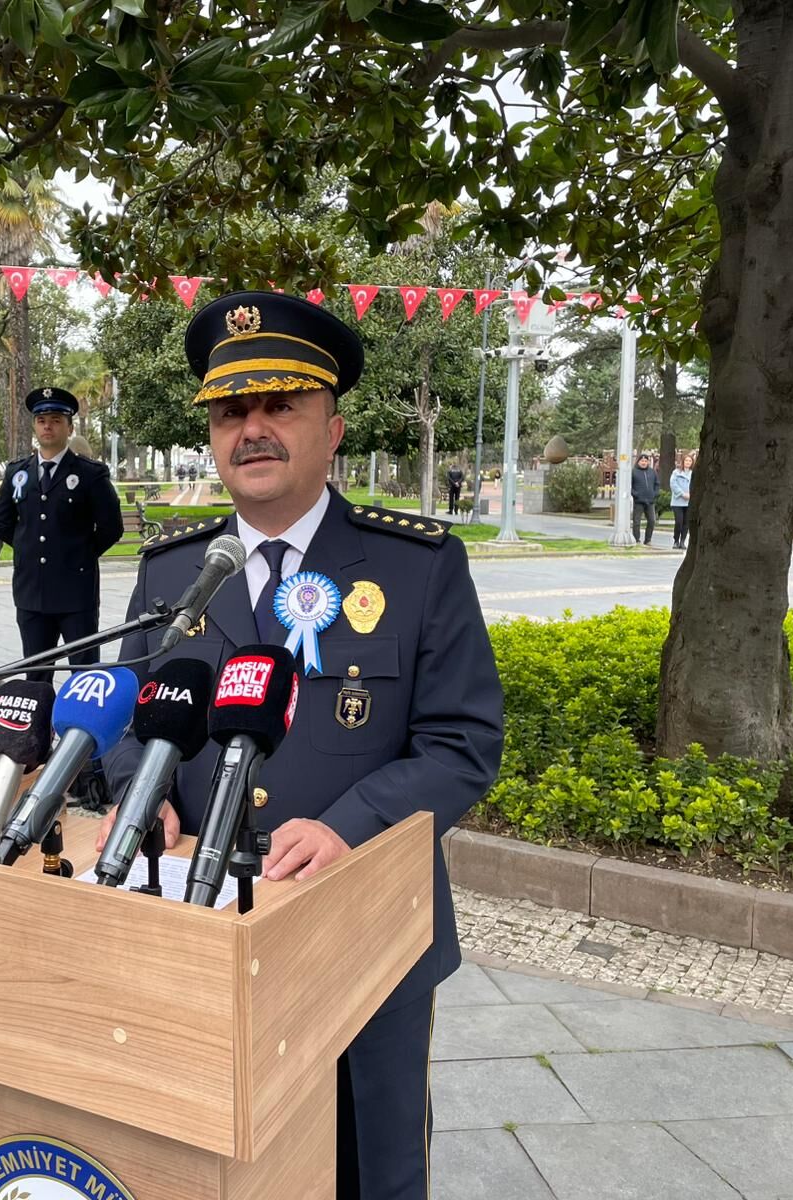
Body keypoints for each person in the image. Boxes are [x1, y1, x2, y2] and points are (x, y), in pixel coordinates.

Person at [99, 292, 503, 1200]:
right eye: (232, 411)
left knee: (372, 1170)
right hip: (200, 922)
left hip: (363, 929)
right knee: (212, 1161)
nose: (254, 429)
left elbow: (463, 745)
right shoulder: (174, 574)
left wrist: (350, 828)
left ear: (334, 428)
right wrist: (140, 792)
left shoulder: (416, 566)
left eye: (281, 404)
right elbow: (130, 716)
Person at [0, 387, 124, 808]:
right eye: (41, 420)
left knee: (84, 678)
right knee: (37, 677)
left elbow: (111, 527)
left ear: (69, 425)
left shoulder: (89, 473)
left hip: (76, 593)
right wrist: (34, 554)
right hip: (32, 593)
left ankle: (89, 768)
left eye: (55, 419)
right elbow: (3, 525)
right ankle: (35, 755)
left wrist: (77, 556)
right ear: (35, 426)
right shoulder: (17, 473)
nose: (47, 426)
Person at [630, 452, 659, 545]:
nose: (644, 462)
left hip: (650, 501)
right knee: (637, 521)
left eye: (646, 461)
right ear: (638, 461)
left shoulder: (652, 472)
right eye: (642, 460)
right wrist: (635, 494)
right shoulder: (634, 471)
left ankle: (648, 540)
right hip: (639, 501)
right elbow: (629, 485)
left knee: (652, 520)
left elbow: (657, 483)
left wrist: (655, 493)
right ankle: (636, 539)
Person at [670, 453, 694, 550]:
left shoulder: (693, 473)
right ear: (683, 462)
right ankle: (676, 540)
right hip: (678, 501)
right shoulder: (676, 472)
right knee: (679, 522)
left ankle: (683, 541)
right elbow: (673, 484)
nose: (688, 462)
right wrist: (682, 494)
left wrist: (691, 494)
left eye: (690, 461)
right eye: (686, 461)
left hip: (689, 501)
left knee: (686, 523)